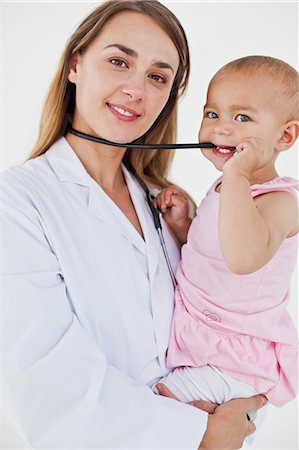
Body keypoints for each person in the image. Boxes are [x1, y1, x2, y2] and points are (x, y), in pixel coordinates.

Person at [1, 2, 267, 448]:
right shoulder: (18, 201)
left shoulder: (167, 204)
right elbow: (47, 387)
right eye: (119, 61)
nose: (136, 89)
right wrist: (204, 435)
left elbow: (230, 329)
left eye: (158, 76)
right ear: (75, 65)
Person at [155, 56, 298, 416]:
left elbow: (243, 258)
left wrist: (236, 177)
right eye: (212, 114)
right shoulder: (227, 185)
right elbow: (217, 252)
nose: (220, 128)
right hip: (203, 347)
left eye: (242, 118)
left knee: (151, 410)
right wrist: (184, 226)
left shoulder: (280, 201)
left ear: (285, 136)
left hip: (232, 365)